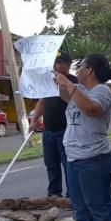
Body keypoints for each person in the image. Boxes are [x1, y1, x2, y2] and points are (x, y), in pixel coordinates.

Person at [55, 54, 111, 221]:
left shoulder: (102, 91)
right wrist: (57, 76)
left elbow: (92, 110)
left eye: (80, 67)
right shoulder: (79, 90)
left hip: (95, 158)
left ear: (90, 70)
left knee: (98, 204)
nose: (77, 71)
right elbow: (65, 96)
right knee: (80, 205)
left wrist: (68, 83)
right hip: (74, 157)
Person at [29, 49, 77, 198]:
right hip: (48, 131)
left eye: (59, 63)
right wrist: (34, 120)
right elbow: (42, 102)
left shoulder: (72, 81)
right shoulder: (47, 81)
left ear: (67, 65)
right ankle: (54, 193)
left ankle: (72, 194)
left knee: (68, 164)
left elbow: (71, 99)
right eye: (55, 63)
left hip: (66, 130)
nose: (55, 66)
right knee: (51, 164)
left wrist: (60, 82)